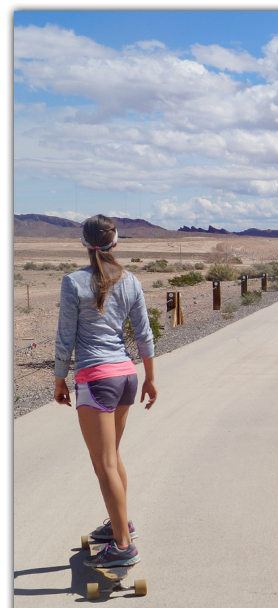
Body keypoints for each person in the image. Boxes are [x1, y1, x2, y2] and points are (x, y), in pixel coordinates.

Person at [53, 215, 157, 568]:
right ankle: (121, 524)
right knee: (112, 456)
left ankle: (123, 546)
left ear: (83, 243)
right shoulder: (131, 281)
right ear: (116, 243)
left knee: (104, 464)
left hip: (96, 380)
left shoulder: (73, 282)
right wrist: (151, 378)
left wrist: (59, 379)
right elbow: (144, 334)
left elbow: (66, 336)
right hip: (126, 376)